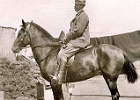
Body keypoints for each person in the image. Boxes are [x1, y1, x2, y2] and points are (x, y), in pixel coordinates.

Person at [53, 0, 90, 84]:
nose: (74, 6)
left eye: (76, 4)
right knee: (62, 49)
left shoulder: (83, 16)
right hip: (76, 40)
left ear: (80, 6)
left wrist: (67, 37)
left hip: (81, 40)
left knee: (64, 54)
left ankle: (60, 78)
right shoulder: (79, 15)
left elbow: (78, 31)